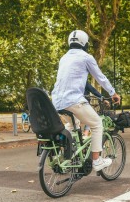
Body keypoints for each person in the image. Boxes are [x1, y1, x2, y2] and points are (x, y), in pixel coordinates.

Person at [51, 30, 120, 171]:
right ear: (84, 43)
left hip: (57, 102)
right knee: (97, 124)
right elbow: (100, 77)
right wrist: (113, 93)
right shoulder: (86, 57)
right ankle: (97, 161)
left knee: (72, 125)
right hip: (74, 101)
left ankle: (67, 157)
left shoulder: (64, 58)